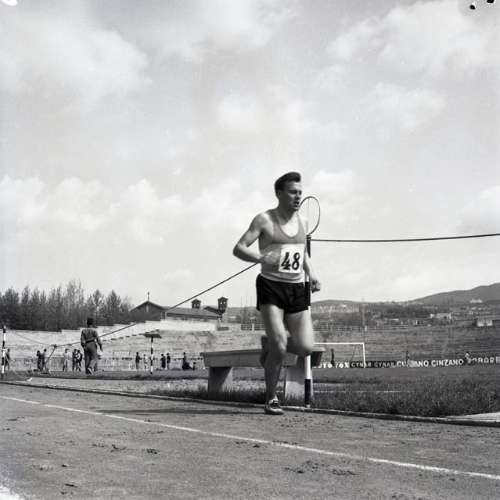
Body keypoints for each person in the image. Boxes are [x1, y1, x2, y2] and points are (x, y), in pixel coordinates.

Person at [233, 172, 321, 415]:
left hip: (296, 288)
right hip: (271, 286)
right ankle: (271, 398)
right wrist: (262, 258)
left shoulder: (303, 221)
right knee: (280, 345)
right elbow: (239, 248)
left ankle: (270, 344)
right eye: (293, 192)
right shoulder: (264, 220)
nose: (298, 196)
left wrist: (312, 274)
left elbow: (302, 253)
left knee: (305, 348)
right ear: (279, 193)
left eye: (300, 192)